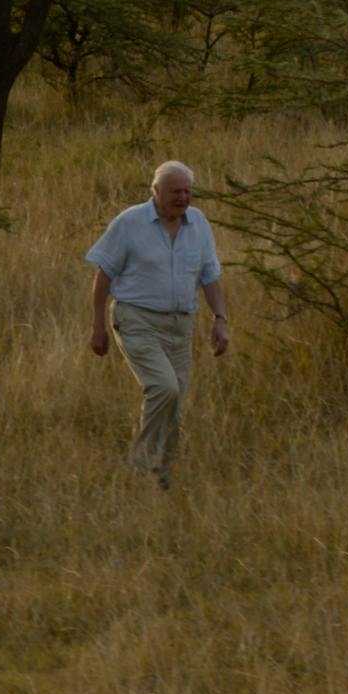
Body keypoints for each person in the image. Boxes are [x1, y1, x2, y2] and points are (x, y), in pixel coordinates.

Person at [83, 159, 230, 489]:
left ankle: (162, 475)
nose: (183, 198)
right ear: (156, 191)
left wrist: (220, 319)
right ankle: (141, 464)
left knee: (174, 405)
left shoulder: (199, 224)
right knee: (164, 387)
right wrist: (97, 326)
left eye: (187, 191)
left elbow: (210, 276)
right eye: (175, 191)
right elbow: (103, 275)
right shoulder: (130, 223)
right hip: (137, 320)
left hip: (181, 325)